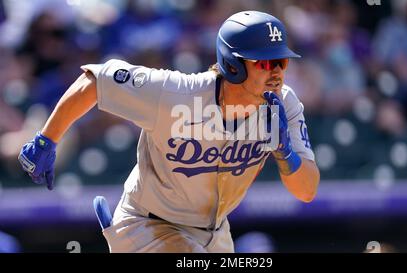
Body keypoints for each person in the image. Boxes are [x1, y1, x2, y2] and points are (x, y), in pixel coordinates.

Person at [18, 10, 320, 253]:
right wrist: (47, 138)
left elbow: (306, 191)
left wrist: (286, 155)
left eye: (282, 61)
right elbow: (96, 82)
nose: (277, 72)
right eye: (266, 62)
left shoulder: (284, 105)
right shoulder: (177, 93)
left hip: (214, 234)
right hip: (147, 225)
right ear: (233, 65)